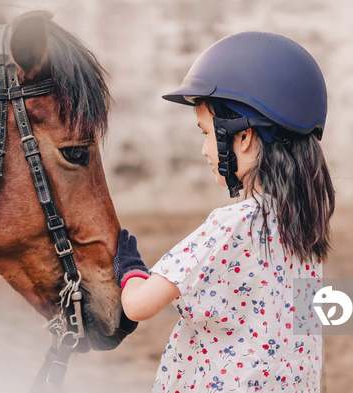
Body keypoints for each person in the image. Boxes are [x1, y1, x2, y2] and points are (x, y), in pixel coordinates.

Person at [113, 31, 335, 392]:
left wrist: (130, 270)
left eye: (206, 133)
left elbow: (138, 305)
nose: (204, 150)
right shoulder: (303, 228)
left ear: (243, 137)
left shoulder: (230, 225)